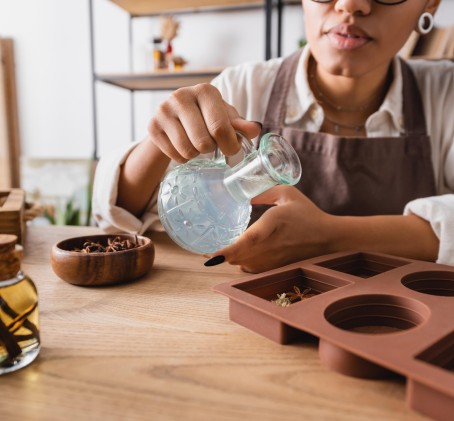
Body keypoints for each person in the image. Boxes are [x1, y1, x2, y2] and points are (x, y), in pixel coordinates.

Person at [93, 0, 454, 273]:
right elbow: (115, 221)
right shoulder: (243, 88)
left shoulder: (445, 95)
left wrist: (330, 235)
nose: (350, 4)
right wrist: (158, 142)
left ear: (430, 5)